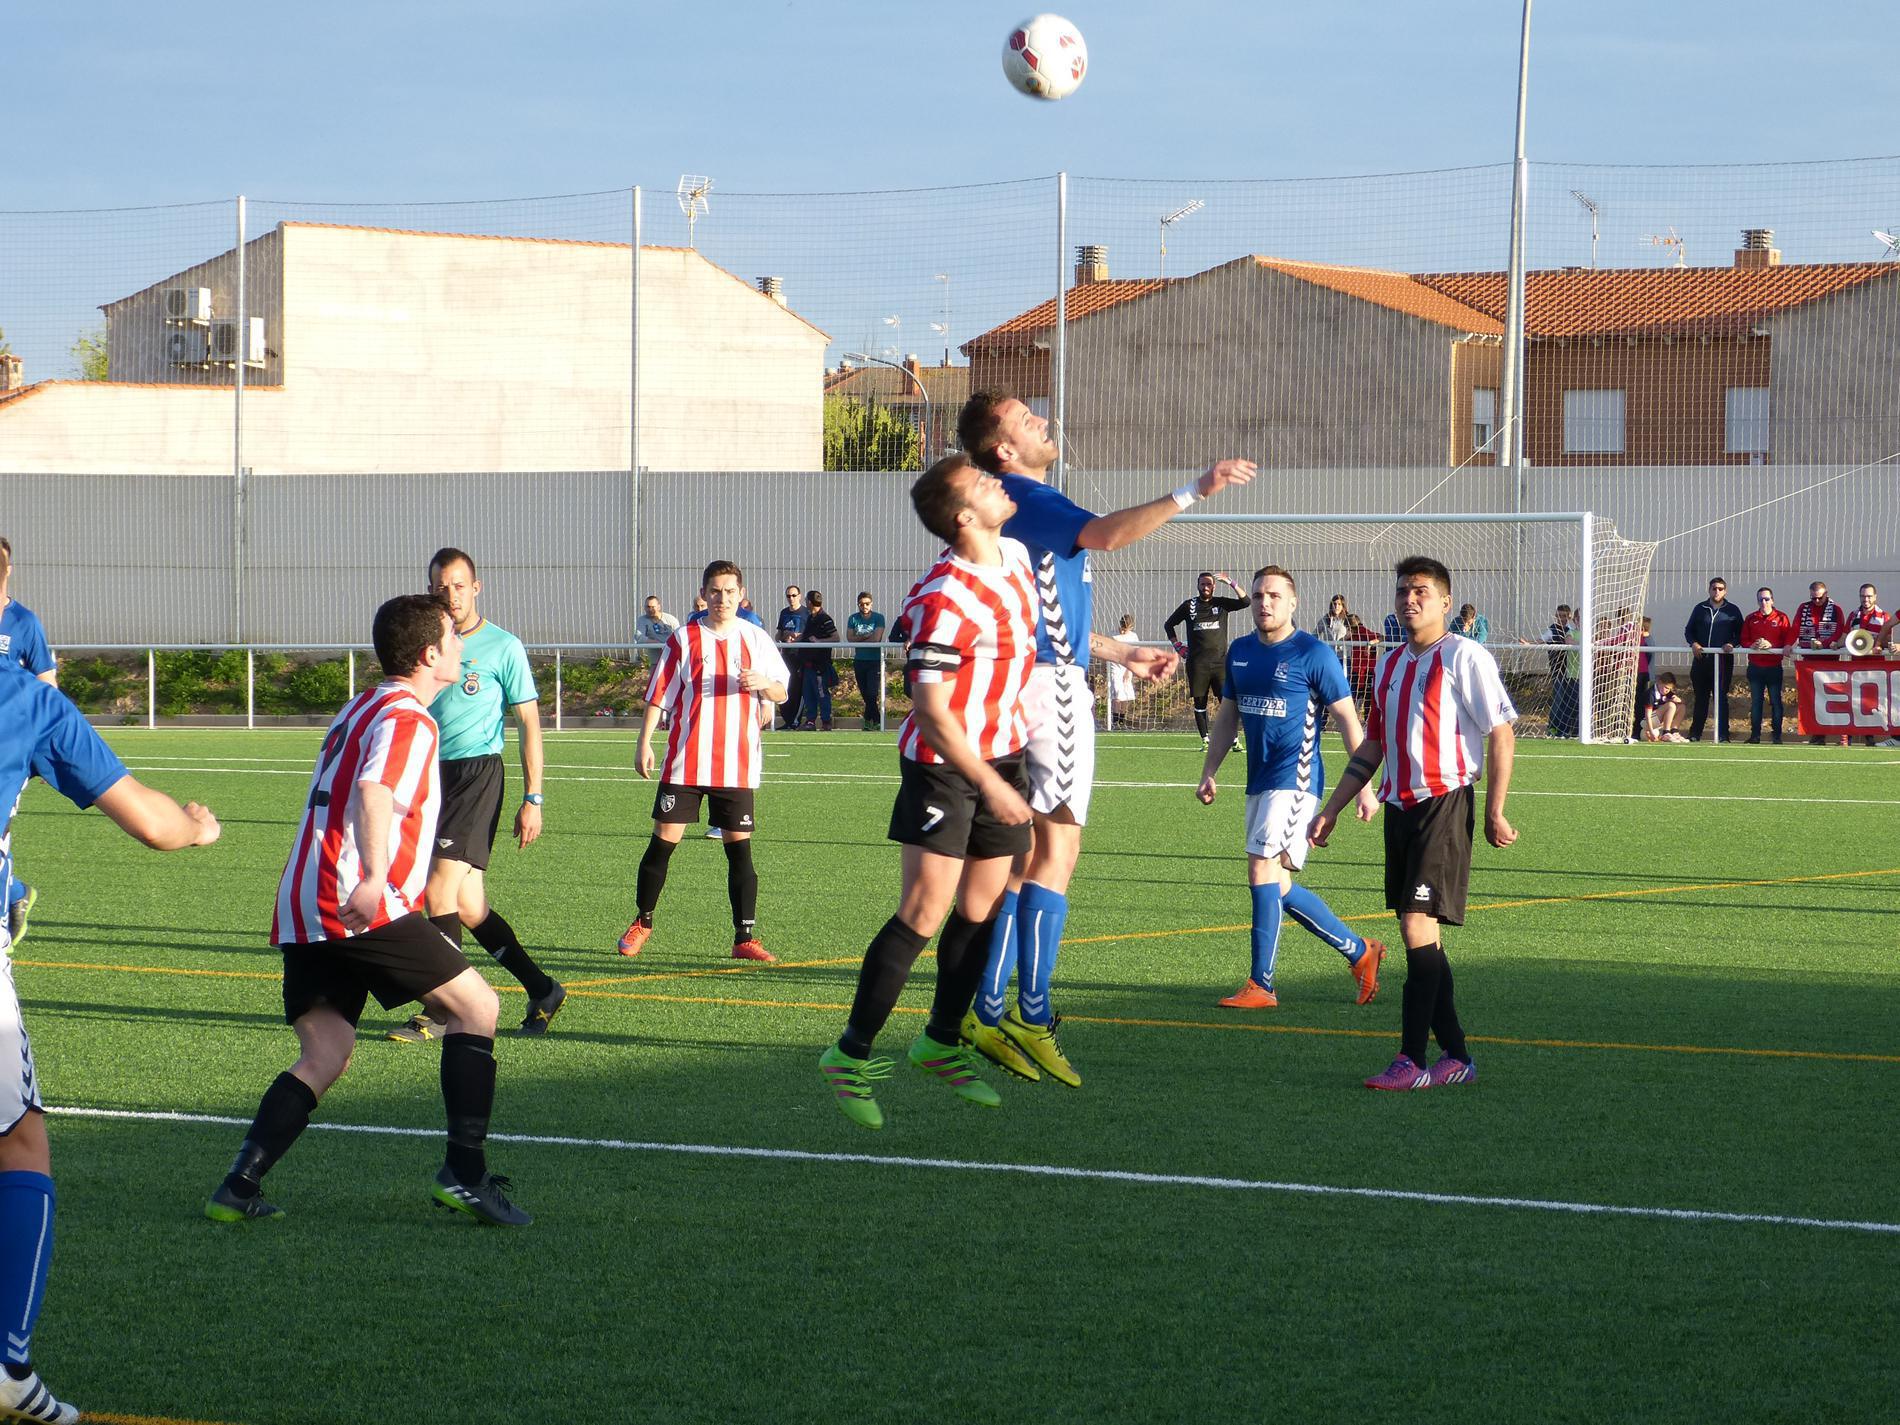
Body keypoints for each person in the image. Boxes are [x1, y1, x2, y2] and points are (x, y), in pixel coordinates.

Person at [953, 390, 1254, 1087]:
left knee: (1027, 857)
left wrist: (1121, 653)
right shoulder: (1028, 496)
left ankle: (989, 1010)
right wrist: (1194, 489)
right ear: (1005, 449)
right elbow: (1109, 533)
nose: (1043, 421)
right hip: (1048, 689)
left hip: (1031, 677)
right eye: (1025, 419)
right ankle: (1022, 1013)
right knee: (1054, 851)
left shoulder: (1013, 510)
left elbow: (1042, 618)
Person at [206, 593, 531, 1228]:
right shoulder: (411, 718)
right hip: (354, 897)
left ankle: (237, 1186)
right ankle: (464, 1174)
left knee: (325, 1051)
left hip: (305, 897)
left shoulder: (360, 705)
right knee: (478, 1007)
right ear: (429, 655)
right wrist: (378, 876)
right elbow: (373, 789)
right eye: (453, 638)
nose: (462, 645)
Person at [1, 669, 219, 1423]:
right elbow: (152, 822)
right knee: (19, 1143)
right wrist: (196, 825)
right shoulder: (22, 695)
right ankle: (7, 1365)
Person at [818, 454, 1037, 1128]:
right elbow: (933, 712)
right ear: (964, 516)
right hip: (944, 765)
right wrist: (988, 785)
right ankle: (849, 1054)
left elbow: (1036, 632)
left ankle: (940, 1041)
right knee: (924, 909)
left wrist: (1121, 653)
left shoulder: (1016, 557)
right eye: (983, 483)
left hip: (1004, 753)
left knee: (982, 905)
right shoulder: (944, 596)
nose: (998, 482)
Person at [1310, 556, 1518, 1091]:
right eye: (1403, 590)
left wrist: (1494, 810)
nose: (1410, 599)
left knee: (1415, 927)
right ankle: (1457, 1056)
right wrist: (1332, 808)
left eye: (1421, 591)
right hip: (1400, 809)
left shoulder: (1465, 656)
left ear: (1445, 602)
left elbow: (1501, 732)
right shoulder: (1390, 664)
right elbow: (1373, 745)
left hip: (1443, 803)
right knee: (1423, 935)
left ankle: (1411, 1060)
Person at [387, 549, 564, 1044]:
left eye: (459, 585)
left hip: (476, 774)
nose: (451, 595)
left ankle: (445, 1009)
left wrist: (534, 798)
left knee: (437, 892)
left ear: (476, 587)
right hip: (432, 775)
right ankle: (543, 989)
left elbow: (529, 723)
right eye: (440, 587)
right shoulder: (427, 647)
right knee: (468, 906)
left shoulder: (503, 646)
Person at [1195, 566, 1386, 1009]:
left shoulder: (1313, 654)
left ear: (1293, 603)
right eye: (1258, 595)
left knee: (1260, 869)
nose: (1264, 603)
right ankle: (1360, 951)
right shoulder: (1241, 652)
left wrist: (1363, 786)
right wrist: (1210, 770)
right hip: (1259, 780)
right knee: (1277, 885)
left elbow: (1348, 719)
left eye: (1274, 596)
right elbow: (1228, 717)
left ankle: (1261, 984)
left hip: (1296, 780)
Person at [619, 560, 790, 963]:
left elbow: (781, 692)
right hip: (686, 761)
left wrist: (765, 684)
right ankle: (642, 922)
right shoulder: (684, 638)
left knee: (740, 852)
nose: (722, 599)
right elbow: (659, 694)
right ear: (703, 594)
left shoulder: (756, 638)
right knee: (663, 844)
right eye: (715, 591)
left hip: (737, 764)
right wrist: (644, 742)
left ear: (741, 595)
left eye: (729, 592)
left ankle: (744, 938)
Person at [0, 539, 58, 948]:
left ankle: (10, 902)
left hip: (11, 746)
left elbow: (46, 686)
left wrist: (43, 749)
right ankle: (16, 891)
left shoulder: (24, 622)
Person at [1164, 572, 1249, 748]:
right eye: (1202, 584)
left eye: (1209, 584)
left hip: (1220, 663)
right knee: (1200, 702)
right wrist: (1177, 645)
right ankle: (1205, 740)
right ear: (1198, 586)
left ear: (1214, 586)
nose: (1205, 587)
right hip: (1197, 664)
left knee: (1226, 703)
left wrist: (1231, 582)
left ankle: (1234, 740)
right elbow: (1168, 625)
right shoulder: (1189, 606)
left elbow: (1246, 602)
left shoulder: (1221, 603)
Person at [1684, 577, 1744, 743]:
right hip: (1701, 660)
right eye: (1714, 588)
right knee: (1701, 698)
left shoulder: (1732, 610)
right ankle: (1695, 734)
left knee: (1721, 698)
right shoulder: (1700, 608)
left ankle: (1723, 735)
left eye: (1720, 589)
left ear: (1725, 591)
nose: (1717, 591)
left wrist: (1732, 643)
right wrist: (1694, 643)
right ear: (1709, 590)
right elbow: (1689, 630)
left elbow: (1741, 633)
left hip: (1722, 661)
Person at [1741, 587, 1794, 745]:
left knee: (1776, 702)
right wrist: (1752, 645)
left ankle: (1776, 736)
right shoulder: (1751, 618)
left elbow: (1788, 639)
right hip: (1755, 666)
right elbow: (1743, 639)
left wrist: (1772, 646)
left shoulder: (1781, 617)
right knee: (1756, 702)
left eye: (1767, 599)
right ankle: (1755, 735)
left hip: (1773, 667)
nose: (1764, 602)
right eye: (1761, 599)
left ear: (1772, 600)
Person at [1844, 584, 1891, 746]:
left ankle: (1870, 735)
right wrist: (1835, 644)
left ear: (1875, 597)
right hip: (1856, 665)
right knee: (1853, 700)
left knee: (1873, 702)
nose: (1866, 599)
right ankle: (1848, 736)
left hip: (1875, 667)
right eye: (1863, 596)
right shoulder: (1853, 615)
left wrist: (1877, 643)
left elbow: (1887, 642)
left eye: (1869, 596)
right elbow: (1845, 636)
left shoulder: (1884, 616)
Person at [798, 590, 839, 731]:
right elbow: (807, 636)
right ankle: (810, 721)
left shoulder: (825, 618)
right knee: (808, 694)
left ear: (809, 602)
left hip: (819, 665)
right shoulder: (811, 618)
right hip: (807, 664)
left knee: (821, 693)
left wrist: (819, 641)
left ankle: (826, 721)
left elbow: (836, 638)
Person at [846, 592, 887, 730]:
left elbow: (876, 639)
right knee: (865, 694)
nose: (864, 606)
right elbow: (850, 638)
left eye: (867, 604)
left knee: (872, 693)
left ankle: (872, 720)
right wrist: (866, 636)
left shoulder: (878, 618)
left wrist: (860, 638)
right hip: (859, 660)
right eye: (862, 604)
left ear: (871, 604)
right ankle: (872, 721)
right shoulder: (853, 618)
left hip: (874, 660)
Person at [776, 584, 809, 730]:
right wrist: (784, 636)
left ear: (799, 596)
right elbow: (779, 634)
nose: (791, 598)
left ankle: (795, 720)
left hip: (800, 656)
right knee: (786, 686)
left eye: (794, 595)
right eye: (788, 596)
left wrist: (798, 636)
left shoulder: (806, 612)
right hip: (786, 655)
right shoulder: (784, 613)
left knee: (797, 689)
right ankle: (787, 720)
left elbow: (810, 633)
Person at [1544, 604, 1579, 739]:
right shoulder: (1552, 630)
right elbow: (1541, 639)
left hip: (1571, 672)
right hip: (1558, 671)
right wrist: (1529, 643)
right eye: (1559, 616)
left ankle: (1568, 729)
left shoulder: (1571, 630)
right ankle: (1552, 729)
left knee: (1569, 702)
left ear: (1569, 617)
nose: (1562, 619)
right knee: (1558, 699)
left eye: (1564, 616)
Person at [1644, 672, 1686, 742]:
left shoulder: (1667, 692)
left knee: (1682, 706)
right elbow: (1647, 715)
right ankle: (1666, 732)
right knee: (1671, 705)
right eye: (1666, 687)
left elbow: (1681, 701)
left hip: (1657, 722)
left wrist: (1679, 700)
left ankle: (1674, 732)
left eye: (1669, 689)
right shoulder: (1651, 693)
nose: (1667, 690)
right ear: (1659, 682)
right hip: (1646, 722)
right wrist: (1651, 732)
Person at [1109, 615, 1139, 712]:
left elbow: (1134, 654)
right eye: (1122, 629)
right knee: (1117, 692)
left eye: (1125, 630)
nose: (1123, 632)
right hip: (1115, 665)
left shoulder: (1133, 637)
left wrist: (1128, 670)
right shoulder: (1113, 634)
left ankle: (1122, 717)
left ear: (1131, 628)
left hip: (1127, 666)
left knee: (1126, 692)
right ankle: (1115, 717)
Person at [1631, 616, 1654, 742]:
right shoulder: (1643, 640)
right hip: (1641, 675)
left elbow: (1648, 658)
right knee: (1637, 704)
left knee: (1641, 705)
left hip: (1645, 676)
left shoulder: (1647, 641)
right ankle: (1636, 731)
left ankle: (1638, 731)